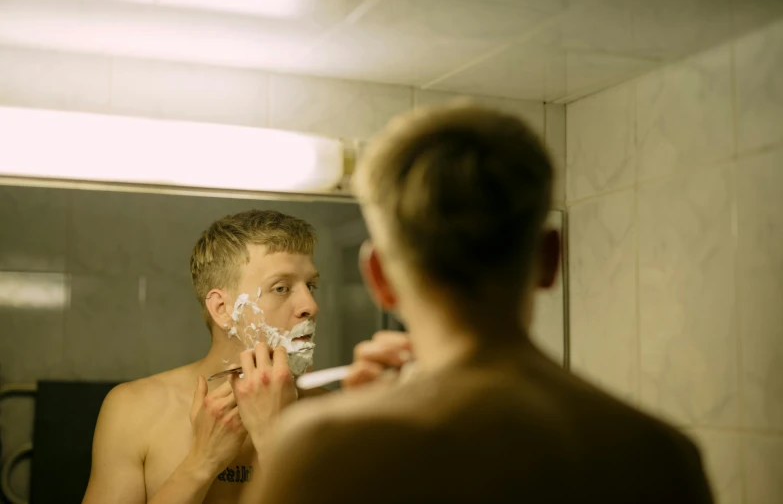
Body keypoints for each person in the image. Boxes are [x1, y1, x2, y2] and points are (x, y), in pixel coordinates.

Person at [232, 104, 715, 503]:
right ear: (550, 258)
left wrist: (291, 442)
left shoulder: (328, 448)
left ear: (379, 278)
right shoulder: (658, 453)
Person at [81, 210, 376, 504]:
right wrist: (201, 463)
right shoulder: (136, 409)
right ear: (222, 309)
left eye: (310, 286)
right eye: (281, 288)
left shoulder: (332, 417)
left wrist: (274, 439)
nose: (310, 305)